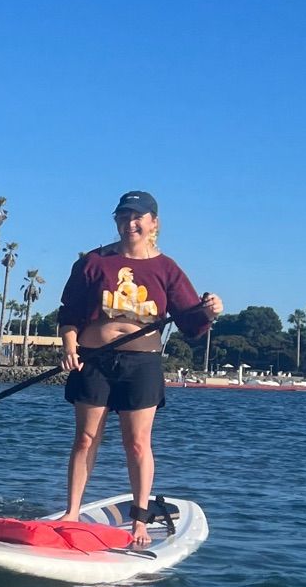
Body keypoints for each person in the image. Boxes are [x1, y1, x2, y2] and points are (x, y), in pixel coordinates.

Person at [54, 190, 222, 545]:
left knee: (137, 443)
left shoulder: (167, 269)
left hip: (141, 363)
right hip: (93, 358)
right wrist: (70, 347)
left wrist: (210, 310)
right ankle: (71, 512)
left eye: (137, 217)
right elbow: (68, 315)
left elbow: (192, 323)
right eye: (123, 217)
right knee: (85, 438)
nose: (129, 223)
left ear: (153, 223)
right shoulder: (93, 262)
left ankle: (140, 521)